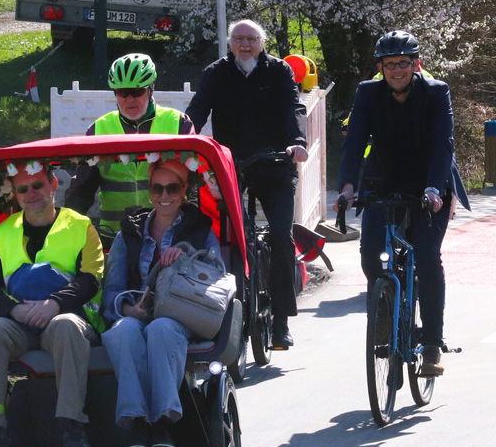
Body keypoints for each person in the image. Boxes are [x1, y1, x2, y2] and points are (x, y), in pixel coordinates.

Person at [334, 30, 471, 376]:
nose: (397, 70)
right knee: (371, 253)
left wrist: (434, 189)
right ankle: (385, 312)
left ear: (416, 64)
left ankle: (432, 345)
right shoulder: (368, 93)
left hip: (430, 183)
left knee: (426, 256)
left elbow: (443, 145)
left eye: (404, 63)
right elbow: (354, 143)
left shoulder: (436, 92)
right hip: (383, 181)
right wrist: (347, 187)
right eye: (390, 64)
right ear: (381, 67)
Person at [0, 162, 105, 447]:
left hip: (67, 316)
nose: (31, 193)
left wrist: (53, 304)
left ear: (53, 185)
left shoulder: (81, 226)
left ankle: (72, 426)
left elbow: (90, 278)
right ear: (15, 195)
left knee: (67, 325)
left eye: (38, 185)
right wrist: (15, 310)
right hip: (20, 323)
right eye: (23, 189)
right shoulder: (1, 234)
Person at [185, 19, 307, 350]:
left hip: (275, 164)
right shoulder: (216, 73)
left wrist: (297, 142)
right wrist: (185, 140)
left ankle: (280, 321)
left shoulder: (279, 71)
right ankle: (222, 311)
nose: (245, 45)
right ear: (230, 43)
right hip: (231, 166)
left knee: (280, 235)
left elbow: (294, 108)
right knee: (226, 237)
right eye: (239, 39)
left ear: (261, 42)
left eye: (251, 39)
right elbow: (197, 111)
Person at [100, 159, 221, 447]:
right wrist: (128, 310)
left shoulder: (199, 229)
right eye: (157, 188)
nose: (164, 195)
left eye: (172, 188)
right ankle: (136, 419)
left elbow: (217, 274)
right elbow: (112, 290)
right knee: (123, 330)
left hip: (181, 313)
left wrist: (186, 256)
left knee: (161, 328)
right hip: (137, 311)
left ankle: (163, 421)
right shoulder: (129, 233)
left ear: (184, 190)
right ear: (149, 190)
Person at [66, 53, 194, 245]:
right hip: (114, 236)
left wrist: (194, 229)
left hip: (168, 235)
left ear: (150, 90)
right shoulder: (98, 129)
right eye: (122, 92)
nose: (130, 99)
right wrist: (66, 229)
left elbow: (194, 183)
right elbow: (82, 189)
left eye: (137, 91)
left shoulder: (178, 123)